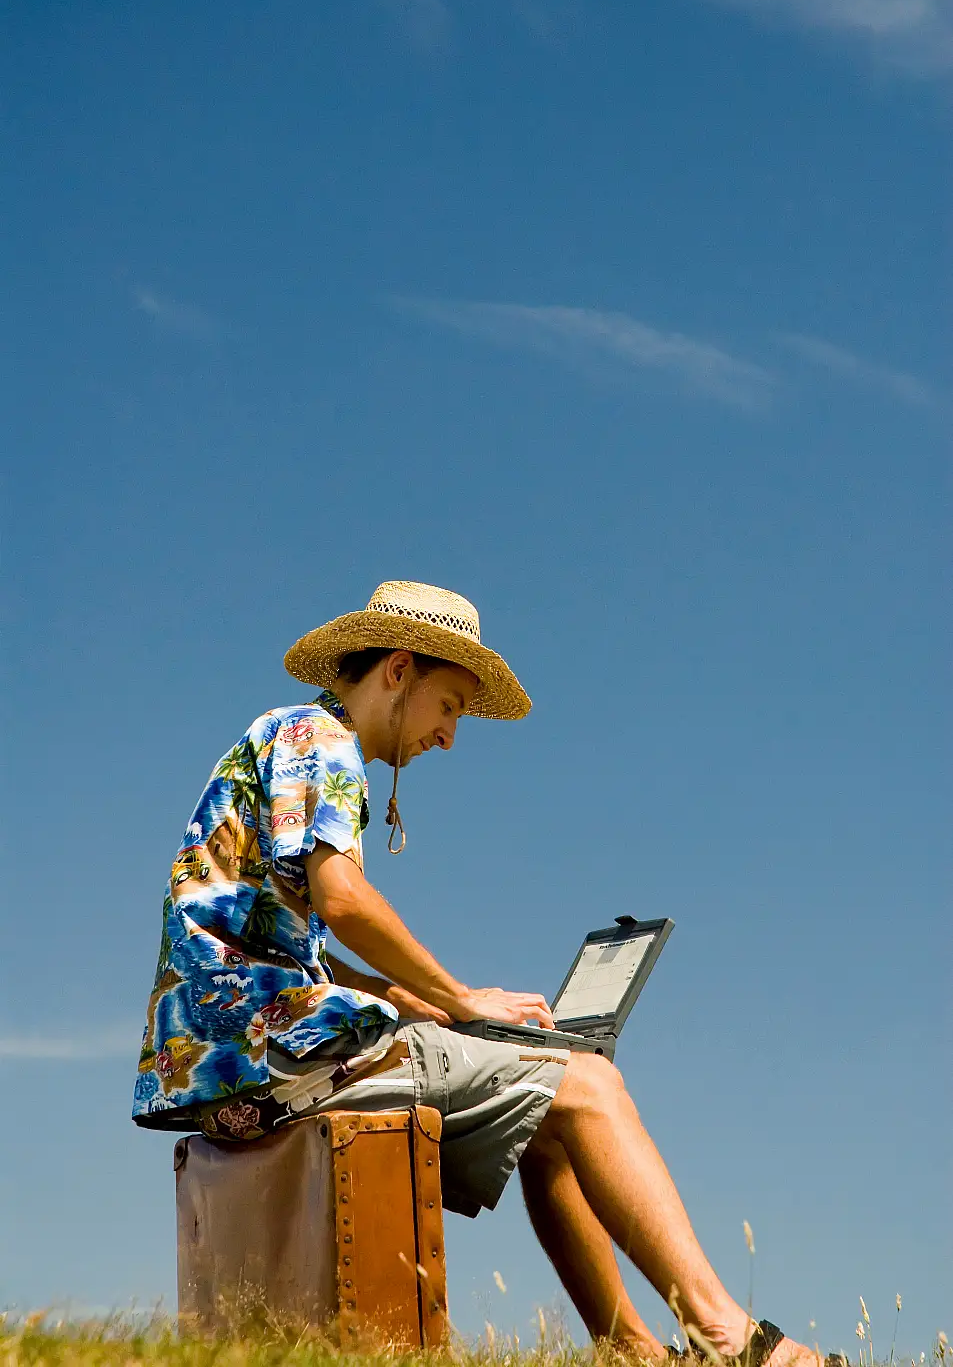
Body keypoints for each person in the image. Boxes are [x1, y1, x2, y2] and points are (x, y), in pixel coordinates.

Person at [133, 581, 827, 1367]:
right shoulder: (317, 739)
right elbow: (345, 899)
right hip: (278, 1054)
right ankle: (731, 1341)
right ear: (398, 671)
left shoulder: (274, 739)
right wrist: (459, 996)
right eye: (451, 705)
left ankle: (632, 1352)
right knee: (588, 1083)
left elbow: (284, 944)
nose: (450, 735)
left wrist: (415, 1006)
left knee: (547, 1110)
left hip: (228, 1059)